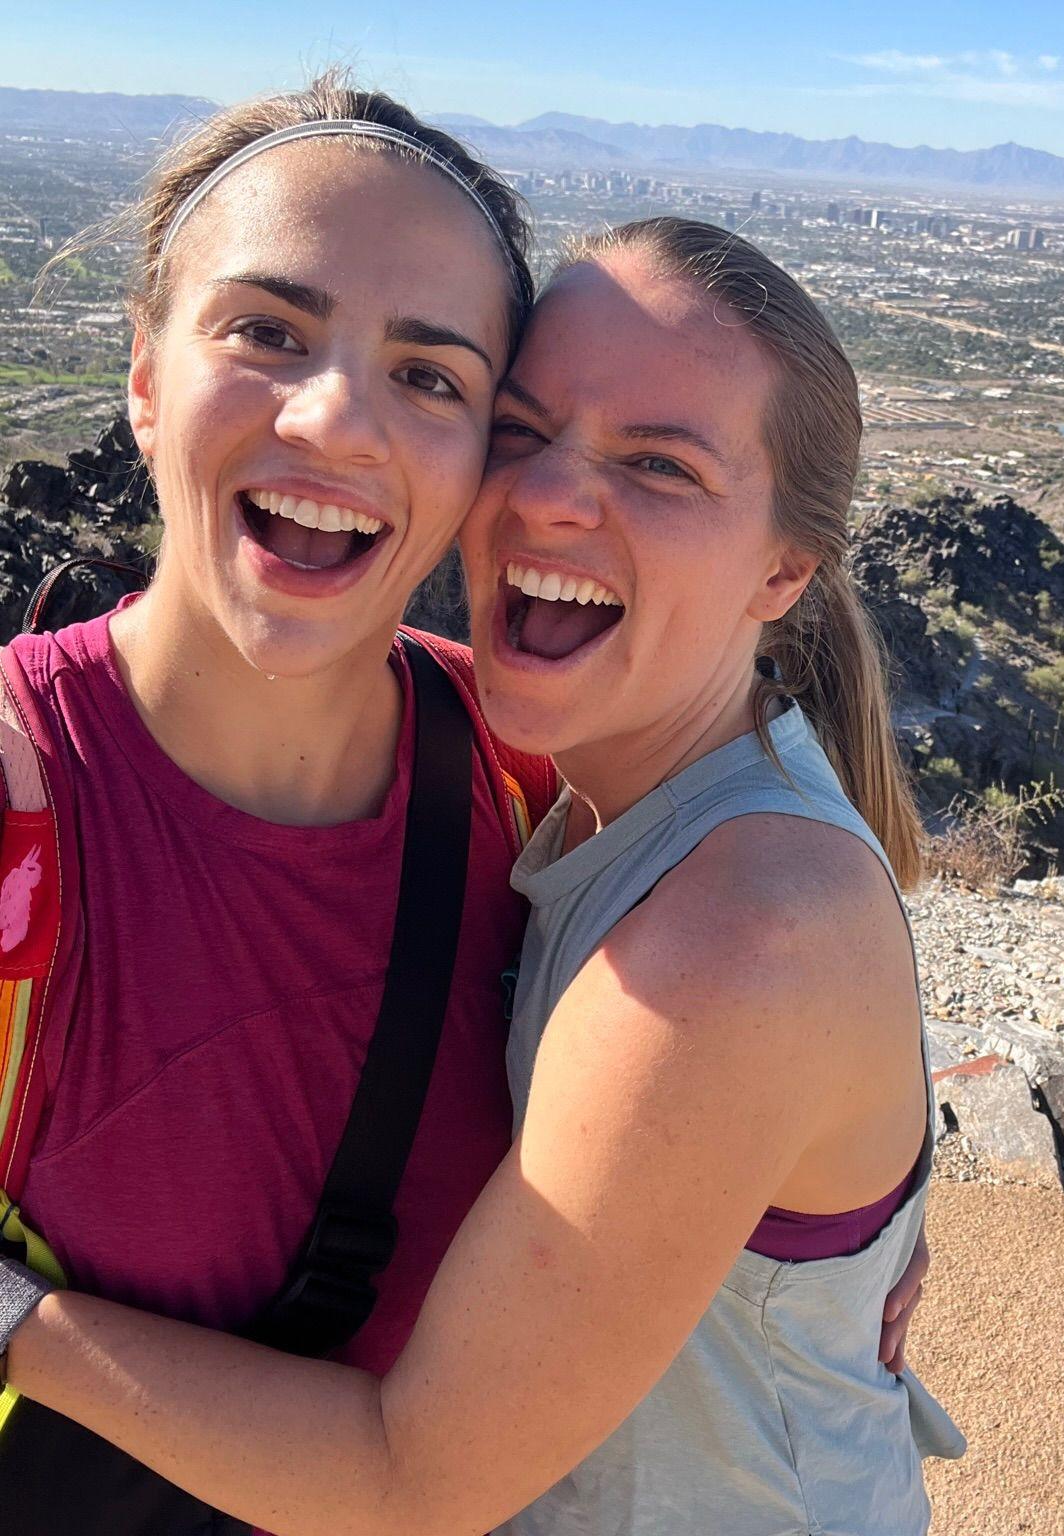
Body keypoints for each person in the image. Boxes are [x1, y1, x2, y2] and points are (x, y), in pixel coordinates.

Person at [2, 216, 965, 1534]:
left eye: (661, 467)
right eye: (520, 430)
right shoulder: (563, 788)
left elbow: (415, 1478)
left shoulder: (733, 936)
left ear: (785, 571)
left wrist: (18, 1316)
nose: (551, 496)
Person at [0, 74, 560, 1534]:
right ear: (142, 376)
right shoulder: (20, 800)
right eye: (268, 332)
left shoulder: (536, 780)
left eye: (431, 375)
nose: (336, 420)